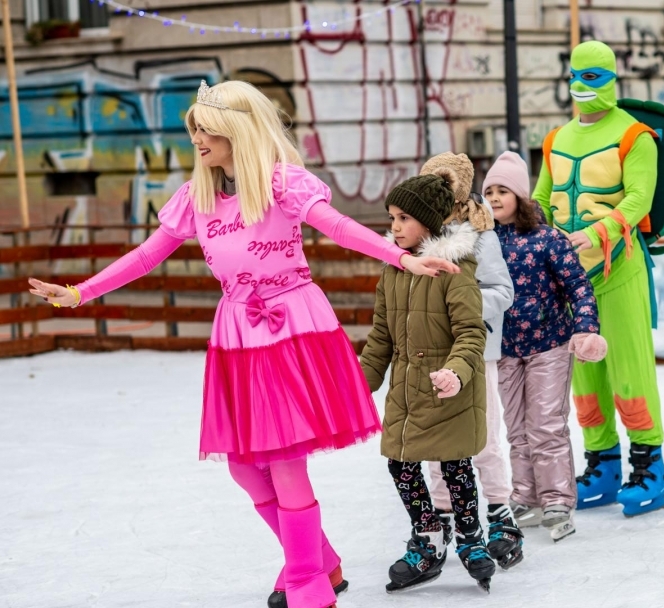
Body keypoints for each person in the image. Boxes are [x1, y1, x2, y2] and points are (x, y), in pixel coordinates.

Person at [29, 80, 456, 608]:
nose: (196, 140)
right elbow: (145, 257)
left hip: (290, 327)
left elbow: (340, 227)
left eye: (206, 129)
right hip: (236, 332)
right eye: (194, 130)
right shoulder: (198, 197)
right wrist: (80, 293)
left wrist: (403, 258)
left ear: (237, 130)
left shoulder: (283, 184)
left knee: (284, 459)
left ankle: (307, 581)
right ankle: (318, 559)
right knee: (243, 466)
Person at [532, 40, 664, 517]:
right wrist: (527, 232)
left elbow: (638, 199)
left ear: (611, 78)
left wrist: (595, 233)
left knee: (630, 371)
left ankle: (649, 468)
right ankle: (602, 464)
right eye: (576, 75)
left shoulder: (635, 136)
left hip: (619, 269)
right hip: (571, 279)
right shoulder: (556, 139)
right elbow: (543, 198)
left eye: (592, 76)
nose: (582, 85)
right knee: (585, 376)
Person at [359, 174, 496, 593]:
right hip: (406, 390)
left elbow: (471, 333)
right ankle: (429, 535)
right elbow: (380, 338)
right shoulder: (393, 271)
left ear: (430, 221)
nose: (395, 226)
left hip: (447, 387)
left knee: (455, 465)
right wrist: (357, 384)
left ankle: (471, 537)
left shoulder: (456, 269)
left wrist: (455, 372)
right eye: (392, 218)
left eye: (404, 218)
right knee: (400, 463)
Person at [484, 151, 606, 541]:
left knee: (546, 426)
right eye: (489, 191)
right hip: (505, 349)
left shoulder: (547, 239)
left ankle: (556, 500)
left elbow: (579, 287)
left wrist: (585, 330)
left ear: (520, 195)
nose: (495, 198)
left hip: (549, 345)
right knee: (517, 428)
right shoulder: (484, 242)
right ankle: (526, 495)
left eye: (503, 190)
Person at [416, 153, 523, 568]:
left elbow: (502, 291)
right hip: (431, 353)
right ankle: (442, 513)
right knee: (436, 439)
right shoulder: (416, 235)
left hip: (476, 351)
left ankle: (499, 510)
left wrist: (462, 309)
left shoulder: (481, 235)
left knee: (484, 436)